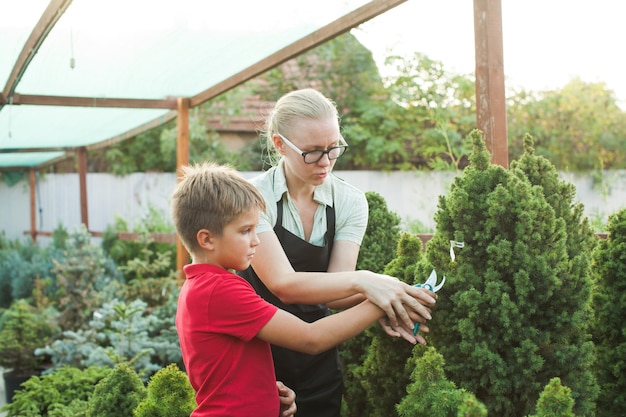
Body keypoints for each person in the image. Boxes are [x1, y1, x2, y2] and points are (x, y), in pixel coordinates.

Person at [171, 162, 429, 417]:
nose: (256, 240)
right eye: (245, 231)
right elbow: (311, 338)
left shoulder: (203, 286)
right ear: (206, 239)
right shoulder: (221, 290)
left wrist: (262, 392)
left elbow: (222, 369)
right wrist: (378, 300)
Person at [237, 88, 436, 417]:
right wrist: (369, 281)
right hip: (257, 355)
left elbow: (336, 294)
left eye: (333, 148)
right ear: (280, 144)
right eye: (313, 152)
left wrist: (391, 300)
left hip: (320, 360)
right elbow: (283, 284)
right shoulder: (251, 198)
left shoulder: (349, 201)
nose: (326, 162)